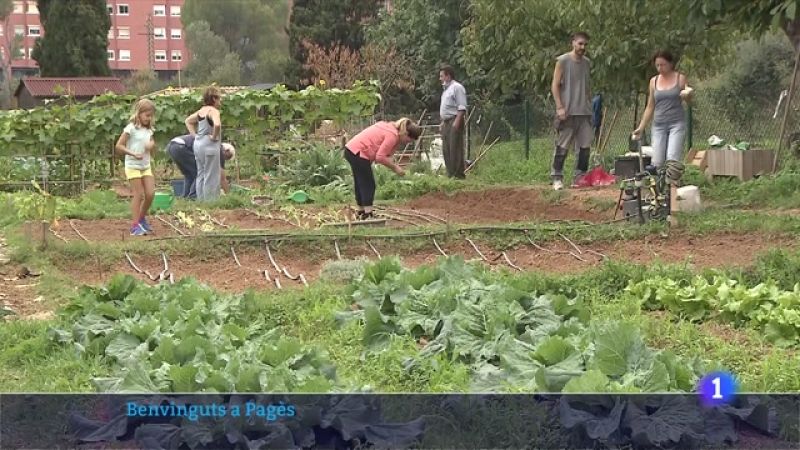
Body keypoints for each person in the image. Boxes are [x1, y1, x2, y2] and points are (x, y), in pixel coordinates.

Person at [632, 50, 693, 217]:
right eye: (657, 65)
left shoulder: (680, 78)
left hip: (676, 124)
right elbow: (650, 106)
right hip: (658, 125)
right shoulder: (654, 81)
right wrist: (641, 127)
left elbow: (688, 101)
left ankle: (673, 207)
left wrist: (688, 95)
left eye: (663, 64)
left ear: (670, 63)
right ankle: (656, 202)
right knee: (657, 163)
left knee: (672, 162)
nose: (660, 68)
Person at [343, 118, 421, 220]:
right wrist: (395, 168)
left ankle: (362, 210)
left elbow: (377, 147)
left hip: (351, 149)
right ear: (405, 133)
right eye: (409, 140)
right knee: (368, 183)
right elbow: (380, 157)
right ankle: (368, 214)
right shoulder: (392, 135)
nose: (407, 143)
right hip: (358, 152)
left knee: (360, 182)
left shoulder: (388, 127)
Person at [551, 31, 593, 191]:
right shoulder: (563, 61)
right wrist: (559, 107)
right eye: (580, 43)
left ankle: (580, 177)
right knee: (563, 145)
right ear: (573, 43)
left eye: (585, 44)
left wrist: (589, 104)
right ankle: (557, 176)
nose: (582, 47)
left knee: (584, 146)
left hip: (584, 111)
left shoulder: (587, 63)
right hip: (568, 110)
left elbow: (587, 85)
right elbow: (555, 85)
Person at [115, 98, 157, 236]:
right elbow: (119, 146)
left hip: (145, 165)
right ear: (139, 113)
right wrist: (132, 153)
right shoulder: (130, 128)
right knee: (138, 194)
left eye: (151, 115)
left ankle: (141, 218)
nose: (149, 118)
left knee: (150, 194)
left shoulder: (149, 130)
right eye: (147, 115)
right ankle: (134, 226)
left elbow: (151, 143)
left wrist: (151, 145)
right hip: (132, 165)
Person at [166, 134, 236, 199]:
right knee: (199, 173)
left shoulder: (213, 145)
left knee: (189, 175)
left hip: (172, 146)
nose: (225, 159)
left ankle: (186, 198)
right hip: (181, 146)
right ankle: (193, 197)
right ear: (226, 150)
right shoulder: (219, 148)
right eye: (227, 157)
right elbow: (222, 178)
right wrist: (229, 195)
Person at [184, 86, 223, 201]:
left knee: (201, 174)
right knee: (211, 175)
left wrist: (195, 136)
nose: (220, 101)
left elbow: (188, 121)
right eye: (219, 98)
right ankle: (211, 203)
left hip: (198, 144)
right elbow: (217, 124)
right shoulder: (213, 111)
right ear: (214, 99)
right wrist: (214, 137)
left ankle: (201, 201)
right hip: (209, 145)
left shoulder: (201, 111)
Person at [438, 64, 468, 179]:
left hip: (454, 121)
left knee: (455, 148)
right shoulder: (445, 90)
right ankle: (450, 174)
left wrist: (457, 121)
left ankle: (458, 175)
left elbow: (462, 106)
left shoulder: (457, 88)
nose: (440, 79)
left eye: (442, 76)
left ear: (448, 76)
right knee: (446, 149)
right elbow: (446, 108)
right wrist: (442, 122)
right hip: (446, 122)